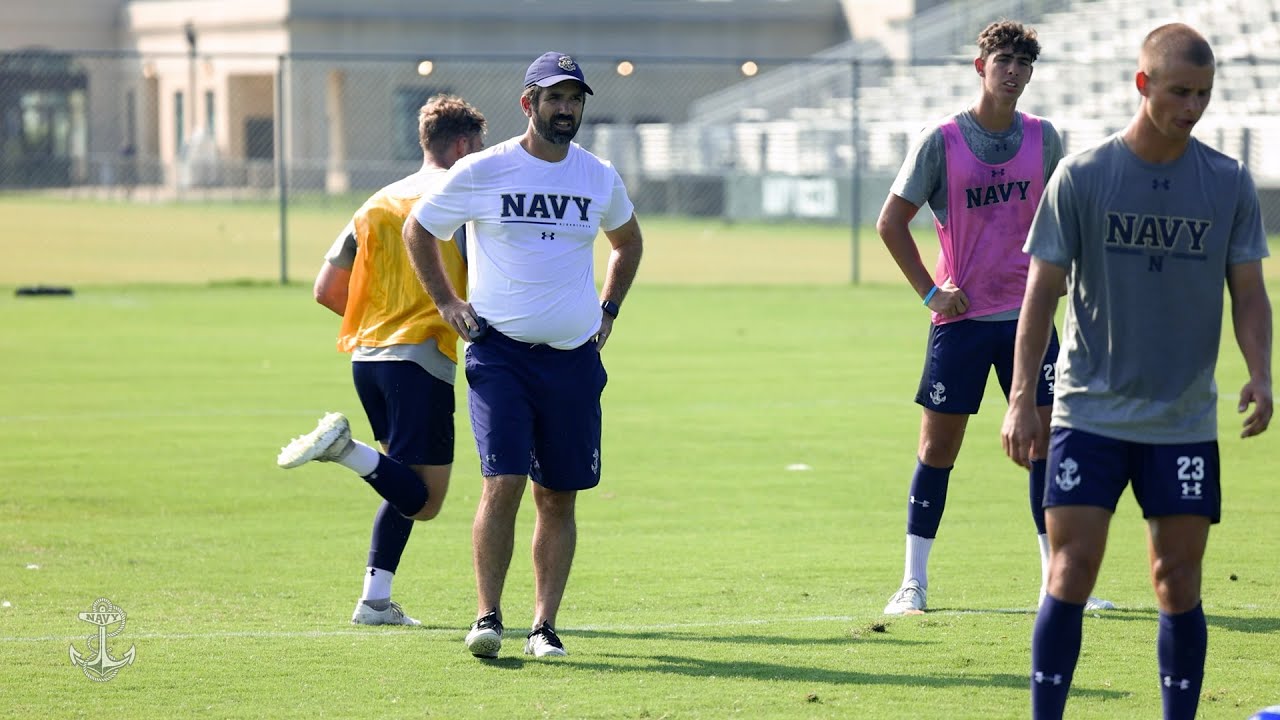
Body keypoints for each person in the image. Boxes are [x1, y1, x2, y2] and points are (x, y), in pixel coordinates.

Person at [1001, 23, 1272, 719]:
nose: (1193, 106)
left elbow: (1248, 291)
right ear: (1143, 84)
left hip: (1182, 421)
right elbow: (1040, 295)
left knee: (1176, 580)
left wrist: (1261, 373)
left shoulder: (1226, 181)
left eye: (1204, 94)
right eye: (1180, 91)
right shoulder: (1085, 176)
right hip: (1088, 413)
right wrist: (1021, 400)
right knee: (1070, 570)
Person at [402, 51, 643, 659]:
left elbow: (628, 241)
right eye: (555, 98)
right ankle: (488, 616)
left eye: (575, 99)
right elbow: (420, 230)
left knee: (558, 494)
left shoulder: (597, 176)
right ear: (527, 103)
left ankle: (544, 627)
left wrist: (609, 311)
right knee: (503, 480)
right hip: (500, 355)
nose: (566, 109)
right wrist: (448, 302)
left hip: (571, 359)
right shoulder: (485, 170)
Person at [876, 20, 1111, 615]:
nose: (1014, 71)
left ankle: (1056, 584)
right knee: (938, 450)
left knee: (1048, 445)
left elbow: (1064, 217)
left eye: (1024, 63)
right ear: (980, 66)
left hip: (1028, 321)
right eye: (1004, 59)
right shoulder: (943, 139)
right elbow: (890, 222)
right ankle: (913, 583)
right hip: (961, 325)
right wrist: (931, 294)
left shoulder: (1045, 137)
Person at [275, 94, 488, 626]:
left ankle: (374, 601)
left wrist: (382, 322)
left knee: (395, 479)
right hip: (420, 359)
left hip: (368, 359)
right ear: (462, 145)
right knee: (426, 499)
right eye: (479, 148)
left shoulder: (376, 202)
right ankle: (345, 450)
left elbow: (327, 290)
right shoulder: (459, 197)